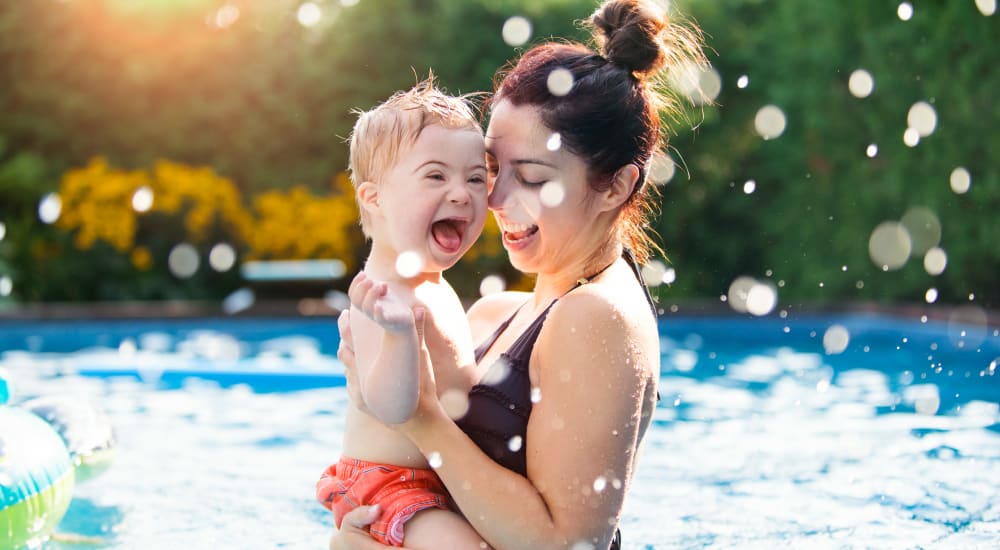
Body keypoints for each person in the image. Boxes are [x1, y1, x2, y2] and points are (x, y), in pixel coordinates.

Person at [332, 0, 707, 548]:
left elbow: (568, 544)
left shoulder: (595, 317)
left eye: (530, 177)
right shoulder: (501, 313)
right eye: (490, 170)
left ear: (616, 187)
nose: (495, 199)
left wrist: (420, 419)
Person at [314, 77, 493, 548]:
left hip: (440, 483)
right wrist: (397, 336)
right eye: (436, 176)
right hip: (390, 486)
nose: (462, 193)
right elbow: (393, 409)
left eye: (476, 178)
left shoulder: (434, 285)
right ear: (374, 198)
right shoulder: (379, 296)